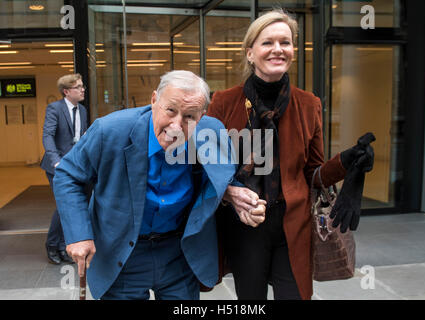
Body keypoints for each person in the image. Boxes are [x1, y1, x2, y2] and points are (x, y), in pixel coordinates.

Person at [207, 9, 374, 300]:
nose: (277, 49)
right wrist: (231, 193)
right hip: (244, 223)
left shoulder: (308, 104)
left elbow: (314, 173)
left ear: (293, 50)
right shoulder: (224, 102)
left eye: (285, 42)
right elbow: (209, 167)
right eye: (267, 42)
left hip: (293, 225)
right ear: (250, 52)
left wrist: (347, 162)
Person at [52, 70, 241, 300]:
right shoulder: (109, 131)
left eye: (190, 117)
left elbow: (223, 172)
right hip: (122, 254)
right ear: (154, 101)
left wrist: (232, 190)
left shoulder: (212, 132)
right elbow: (67, 175)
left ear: (201, 116)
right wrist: (79, 234)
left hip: (178, 254)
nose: (176, 125)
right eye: (170, 110)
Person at [40, 73, 88, 265]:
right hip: (57, 167)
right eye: (78, 87)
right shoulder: (55, 109)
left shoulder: (82, 110)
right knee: (64, 206)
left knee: (70, 206)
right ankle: (53, 245)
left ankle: (61, 246)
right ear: (67, 92)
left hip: (76, 166)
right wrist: (56, 161)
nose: (83, 89)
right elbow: (48, 135)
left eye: (82, 86)